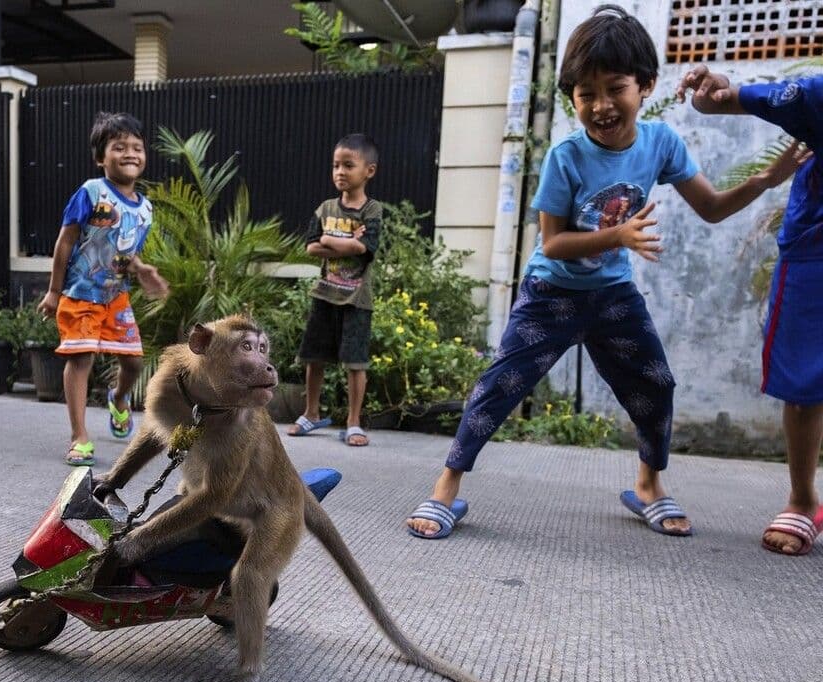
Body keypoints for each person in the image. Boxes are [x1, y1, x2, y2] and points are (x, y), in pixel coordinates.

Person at [403, 4, 807, 540]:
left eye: (615, 88)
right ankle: (446, 490)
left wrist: (763, 181)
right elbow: (554, 242)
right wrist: (618, 236)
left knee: (656, 385)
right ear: (572, 96)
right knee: (500, 384)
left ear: (645, 86)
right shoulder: (565, 157)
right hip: (553, 292)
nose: (600, 105)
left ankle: (648, 486)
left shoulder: (661, 142)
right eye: (585, 93)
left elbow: (709, 208)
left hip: (613, 295)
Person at [678, 65, 821, 555]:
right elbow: (714, 101)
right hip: (815, 253)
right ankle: (803, 500)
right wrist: (712, 89)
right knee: (802, 389)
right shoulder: (814, 96)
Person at [37, 111, 168, 467]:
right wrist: (54, 290)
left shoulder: (145, 210)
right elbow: (65, 243)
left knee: (135, 362)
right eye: (119, 146)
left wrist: (142, 270)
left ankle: (119, 399)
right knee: (81, 359)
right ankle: (79, 436)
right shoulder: (90, 193)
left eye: (137, 148)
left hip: (115, 296)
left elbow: (126, 253)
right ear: (101, 157)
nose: (130, 153)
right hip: (79, 295)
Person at [286, 133, 383, 447]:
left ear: (368, 170)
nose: (340, 171)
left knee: (355, 363)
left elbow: (365, 248)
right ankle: (311, 413)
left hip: (357, 299)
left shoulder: (373, 211)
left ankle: (354, 422)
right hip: (325, 294)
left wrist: (331, 242)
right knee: (314, 357)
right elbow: (312, 247)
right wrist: (338, 243)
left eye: (348, 165)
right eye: (336, 165)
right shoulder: (326, 208)